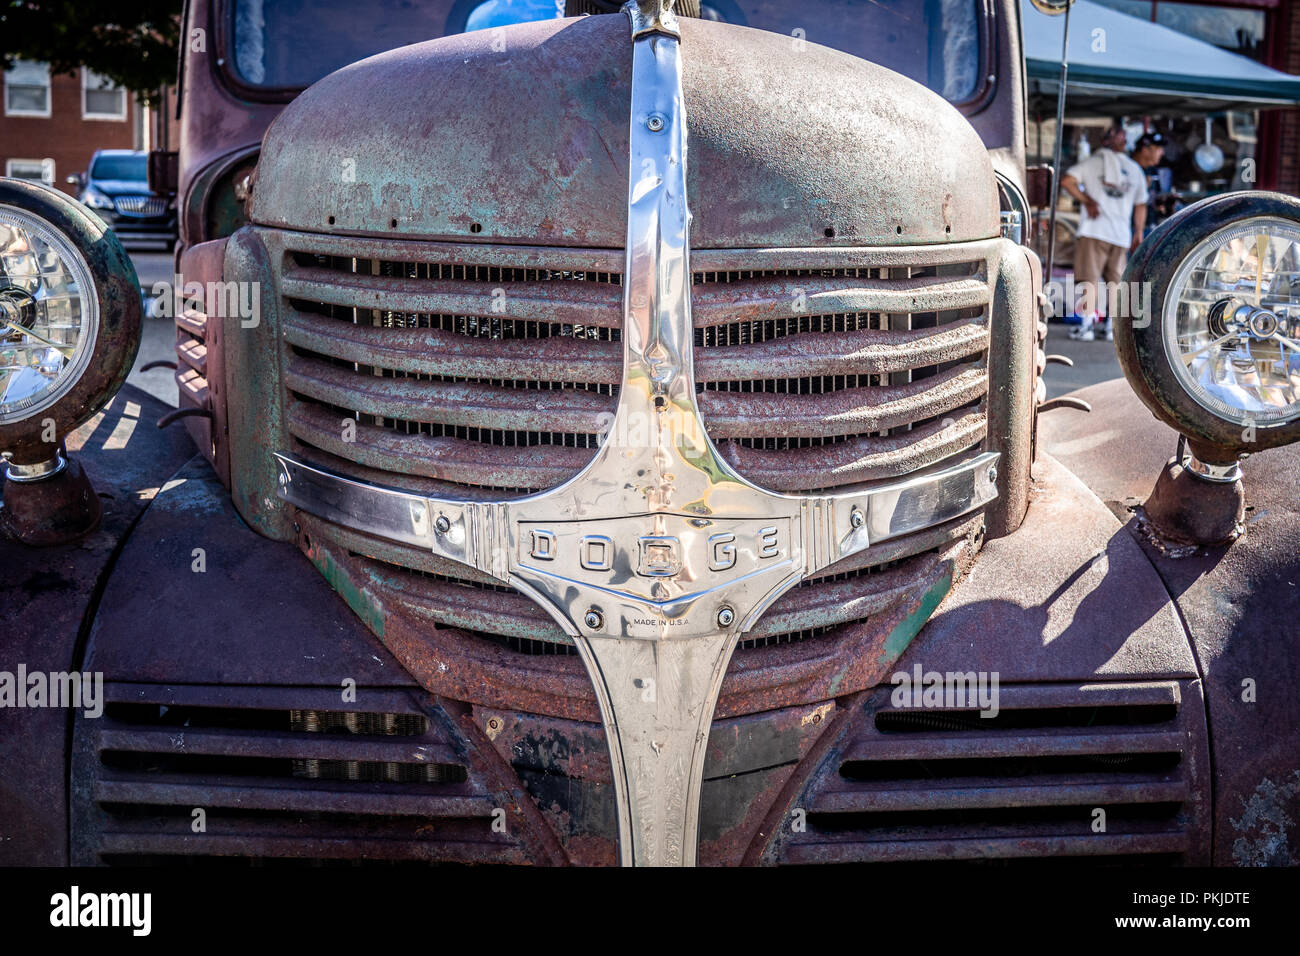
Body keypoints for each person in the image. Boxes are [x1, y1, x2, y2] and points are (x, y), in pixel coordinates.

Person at [1060, 124, 1148, 341]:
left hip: (1094, 230)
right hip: (1120, 235)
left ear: (1104, 141)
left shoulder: (1091, 163)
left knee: (1089, 280)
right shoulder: (1134, 170)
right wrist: (1138, 231)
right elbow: (1141, 204)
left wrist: (1087, 200)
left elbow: (1067, 181)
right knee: (1116, 282)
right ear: (1124, 144)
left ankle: (1087, 326)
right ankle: (1111, 328)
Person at [1132, 131, 1170, 238]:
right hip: (1132, 229)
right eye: (1158, 149)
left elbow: (1154, 198)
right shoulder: (1129, 170)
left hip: (1151, 227)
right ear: (1145, 150)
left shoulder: (1153, 170)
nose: (1162, 153)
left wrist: (1163, 204)